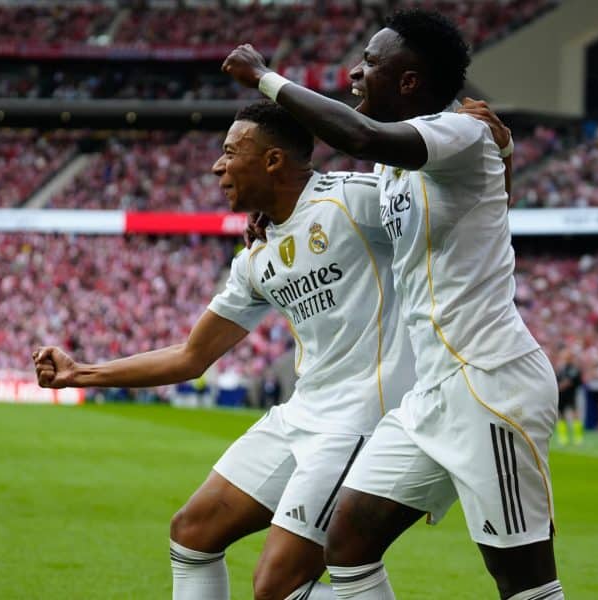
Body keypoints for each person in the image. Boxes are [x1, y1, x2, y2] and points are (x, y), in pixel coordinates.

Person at [222, 9, 562, 600]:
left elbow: (359, 135)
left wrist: (265, 80)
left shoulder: (460, 131)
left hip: (490, 385)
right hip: (427, 397)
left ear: (409, 82)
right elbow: (482, 202)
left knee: (524, 582)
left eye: (371, 63)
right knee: (347, 544)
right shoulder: (394, 167)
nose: (355, 72)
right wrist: (280, 215)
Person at [34, 100, 421, 600]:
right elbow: (191, 356)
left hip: (363, 418)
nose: (217, 166)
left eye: (230, 152)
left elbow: (443, 201)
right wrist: (80, 373)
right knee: (192, 533)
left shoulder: (353, 201)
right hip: (303, 413)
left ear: (273, 160)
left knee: (277, 587)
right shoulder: (255, 256)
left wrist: (494, 150)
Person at [556, 350, 584, 445]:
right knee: (561, 415)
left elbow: (573, 381)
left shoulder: (573, 369)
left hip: (571, 395)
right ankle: (563, 438)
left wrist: (562, 385)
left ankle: (578, 438)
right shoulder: (561, 369)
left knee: (575, 415)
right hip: (562, 395)